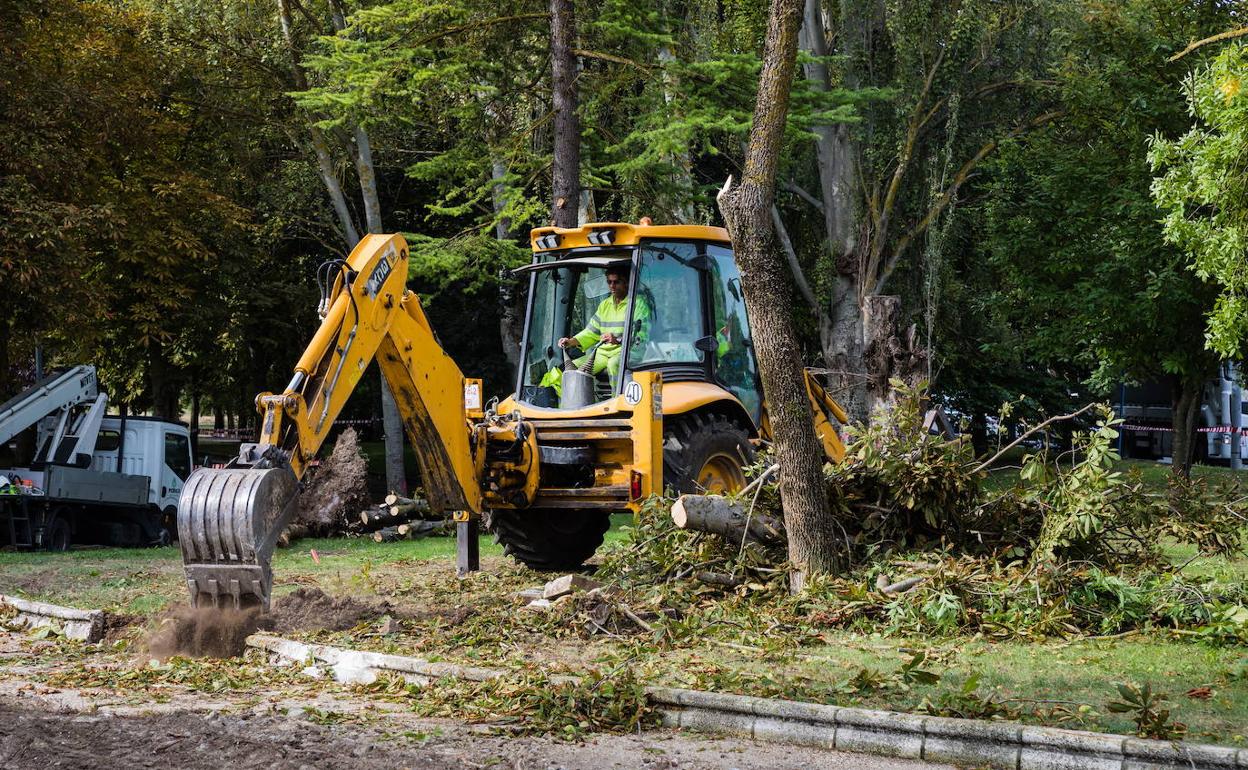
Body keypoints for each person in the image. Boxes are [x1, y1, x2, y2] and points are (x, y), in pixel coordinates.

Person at [557, 265, 651, 386]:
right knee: (571, 368)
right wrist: (570, 342)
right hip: (602, 354)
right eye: (609, 282)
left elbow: (641, 337)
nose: (612, 286)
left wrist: (617, 340)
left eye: (616, 282)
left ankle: (617, 401)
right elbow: (591, 332)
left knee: (614, 364)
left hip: (628, 353)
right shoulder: (604, 305)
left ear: (627, 283)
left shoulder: (638, 304)